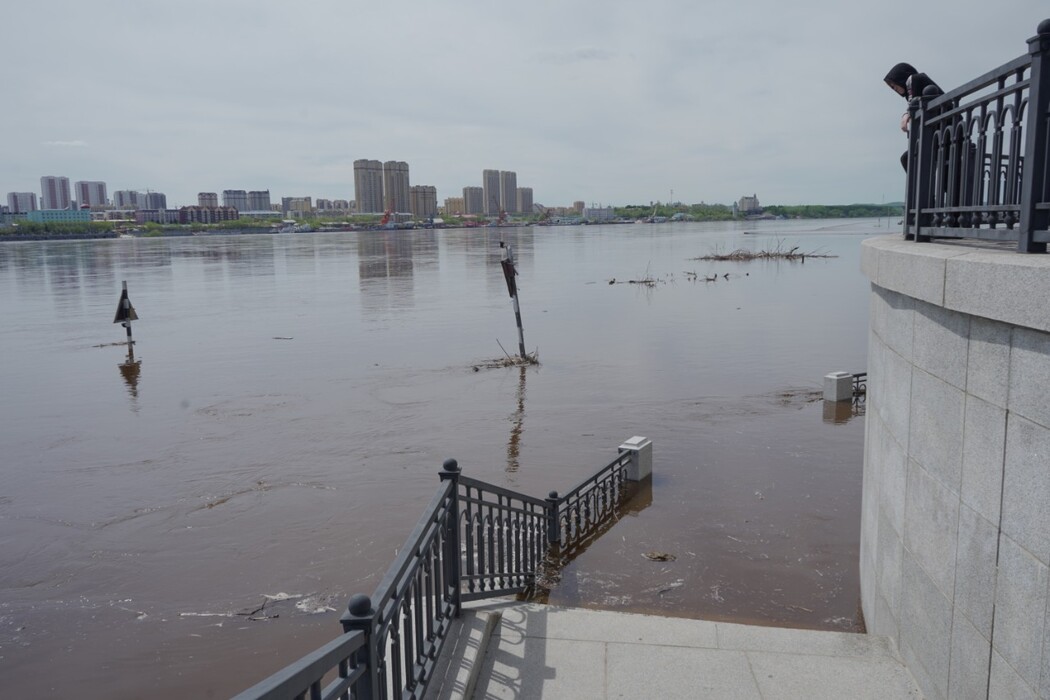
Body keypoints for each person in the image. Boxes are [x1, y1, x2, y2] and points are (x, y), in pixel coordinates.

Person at [885, 63, 942, 170]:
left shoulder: (913, 79)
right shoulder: (911, 90)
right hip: (940, 133)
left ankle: (927, 186)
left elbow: (914, 106)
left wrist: (907, 115)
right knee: (909, 158)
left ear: (900, 78)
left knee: (908, 158)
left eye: (893, 85)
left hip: (944, 132)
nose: (894, 89)